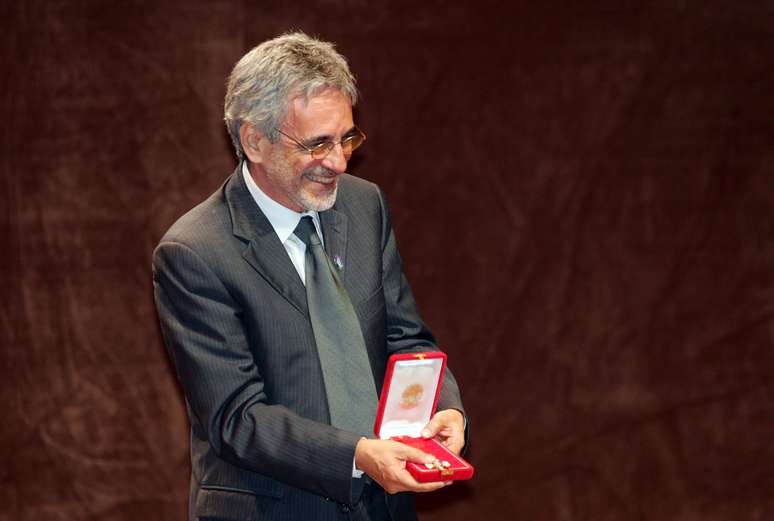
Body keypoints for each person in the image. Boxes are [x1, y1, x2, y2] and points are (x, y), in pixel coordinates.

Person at [153, 31, 467, 521]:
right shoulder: (194, 253)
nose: (339, 161)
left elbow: (406, 338)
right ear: (254, 140)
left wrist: (443, 408)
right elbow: (237, 418)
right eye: (317, 144)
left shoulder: (365, 206)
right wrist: (358, 457)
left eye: (346, 138)